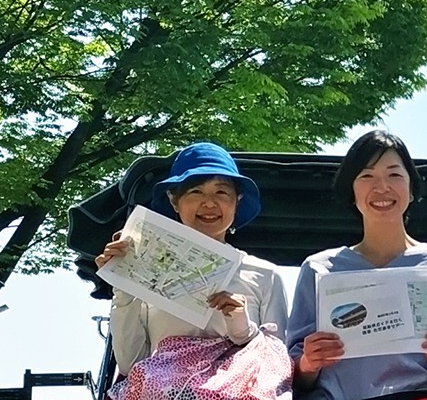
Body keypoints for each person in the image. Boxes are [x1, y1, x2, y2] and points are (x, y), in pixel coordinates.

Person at [289, 130, 427, 400]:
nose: (381, 187)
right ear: (352, 191)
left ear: (411, 189)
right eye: (367, 176)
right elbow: (295, 375)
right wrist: (308, 362)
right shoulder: (319, 269)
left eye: (394, 175)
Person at [96, 143, 289, 372]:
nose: (209, 203)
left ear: (237, 200)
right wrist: (123, 283)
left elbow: (277, 369)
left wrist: (242, 327)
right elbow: (131, 365)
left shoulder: (265, 276)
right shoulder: (147, 268)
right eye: (195, 191)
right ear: (173, 200)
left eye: (221, 192)